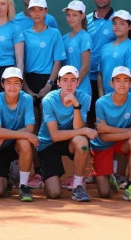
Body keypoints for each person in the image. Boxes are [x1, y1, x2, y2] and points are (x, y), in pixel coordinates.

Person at [37, 66, 97, 202]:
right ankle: (46, 180)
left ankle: (77, 187)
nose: (69, 84)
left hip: (70, 141)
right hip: (48, 143)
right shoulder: (49, 100)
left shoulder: (84, 97)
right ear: (58, 83)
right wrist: (85, 130)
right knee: (54, 193)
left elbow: (77, 126)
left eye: (73, 80)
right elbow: (55, 135)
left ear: (78, 82)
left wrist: (76, 105)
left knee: (82, 143)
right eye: (65, 80)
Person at [90, 66, 131, 202]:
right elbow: (103, 137)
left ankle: (130, 186)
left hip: (121, 143)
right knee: (104, 193)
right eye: (118, 80)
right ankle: (109, 176)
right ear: (111, 83)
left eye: (126, 80)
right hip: (102, 145)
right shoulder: (101, 103)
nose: (122, 84)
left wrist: (108, 128)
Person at [0, 67, 38, 201]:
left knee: (25, 142)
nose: (12, 87)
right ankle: (8, 176)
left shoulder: (27, 99)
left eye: (16, 83)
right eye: (8, 82)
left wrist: (4, 136)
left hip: (16, 145)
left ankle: (23, 186)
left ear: (21, 85)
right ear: (2, 84)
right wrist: (4, 136)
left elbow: (30, 128)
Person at [86, 0, 116, 125]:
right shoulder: (85, 20)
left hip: (108, 80)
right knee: (89, 118)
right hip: (86, 80)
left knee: (107, 120)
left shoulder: (118, 20)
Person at [97, 10, 131, 96]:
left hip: (126, 98)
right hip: (107, 98)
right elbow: (100, 75)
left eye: (122, 23)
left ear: (130, 26)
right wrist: (102, 97)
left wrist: (117, 98)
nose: (117, 26)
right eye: (115, 23)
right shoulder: (105, 48)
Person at [61, 0, 92, 96]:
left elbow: (85, 67)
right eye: (68, 15)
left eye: (74, 15)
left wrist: (73, 86)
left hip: (81, 90)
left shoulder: (85, 37)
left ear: (82, 16)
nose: (70, 18)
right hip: (66, 90)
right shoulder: (64, 38)